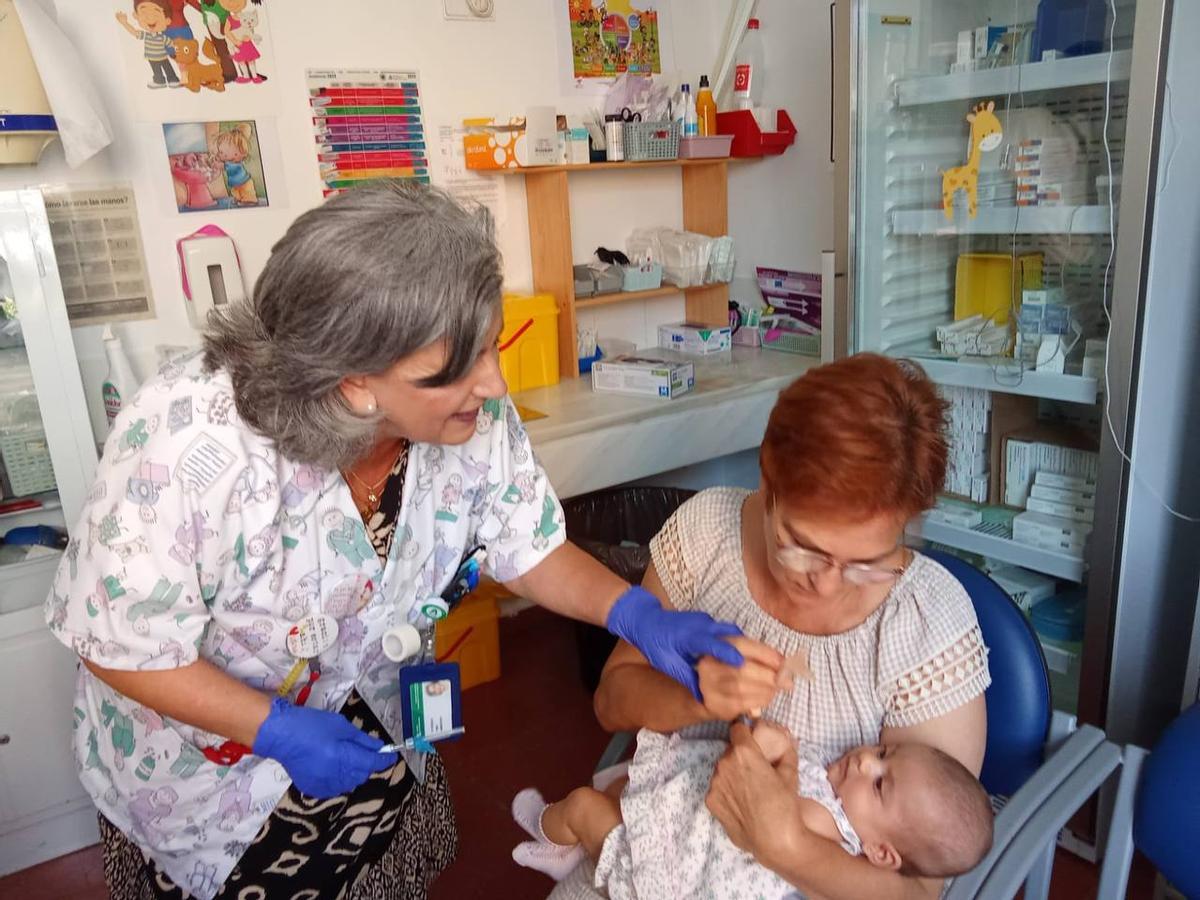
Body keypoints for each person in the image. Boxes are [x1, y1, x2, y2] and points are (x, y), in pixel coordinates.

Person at [47, 181, 744, 900]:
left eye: (490, 349)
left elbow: (524, 541)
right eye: (453, 372)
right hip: (206, 770)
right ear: (355, 384)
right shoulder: (186, 440)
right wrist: (276, 729)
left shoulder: (466, 417)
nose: (495, 386)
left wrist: (632, 613)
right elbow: (115, 643)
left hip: (374, 720)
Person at [551, 353, 992, 900]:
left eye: (866, 562)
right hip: (654, 848)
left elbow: (920, 892)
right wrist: (696, 695)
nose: (828, 585)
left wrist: (782, 843)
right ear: (768, 477)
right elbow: (610, 702)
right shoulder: (706, 535)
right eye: (804, 548)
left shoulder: (926, 620)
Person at [512, 721, 993, 897]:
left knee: (582, 805)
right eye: (884, 755)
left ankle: (551, 834)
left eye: (881, 785)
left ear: (884, 853)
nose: (867, 759)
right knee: (616, 788)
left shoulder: (827, 824)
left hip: (659, 870)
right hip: (673, 828)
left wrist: (771, 748)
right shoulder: (836, 811)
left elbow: (772, 810)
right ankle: (569, 847)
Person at [115, 0, 181, 89]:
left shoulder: (162, 37)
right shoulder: (146, 35)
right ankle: (159, 81)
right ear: (136, 15)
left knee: (168, 69)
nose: (150, 18)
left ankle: (173, 79)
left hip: (163, 57)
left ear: (167, 21)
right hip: (152, 58)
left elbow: (172, 44)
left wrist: (179, 50)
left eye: (156, 15)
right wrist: (124, 23)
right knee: (156, 71)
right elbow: (134, 32)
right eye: (144, 14)